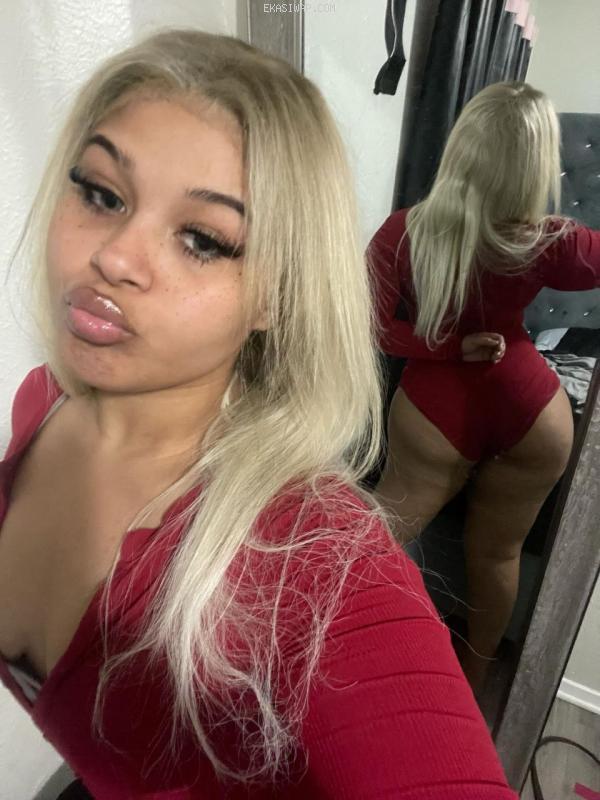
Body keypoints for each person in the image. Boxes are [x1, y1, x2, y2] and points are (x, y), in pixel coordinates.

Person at [0, 30, 519, 798]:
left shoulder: (313, 565)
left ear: (276, 296)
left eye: (202, 239)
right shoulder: (42, 401)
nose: (114, 257)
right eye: (102, 193)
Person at [368, 81, 600, 693]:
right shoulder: (554, 239)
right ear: (536, 164)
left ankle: (353, 650)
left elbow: (376, 329)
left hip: (436, 410)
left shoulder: (404, 232)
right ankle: (472, 678)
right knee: (497, 555)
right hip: (531, 412)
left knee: (372, 544)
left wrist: (449, 346)